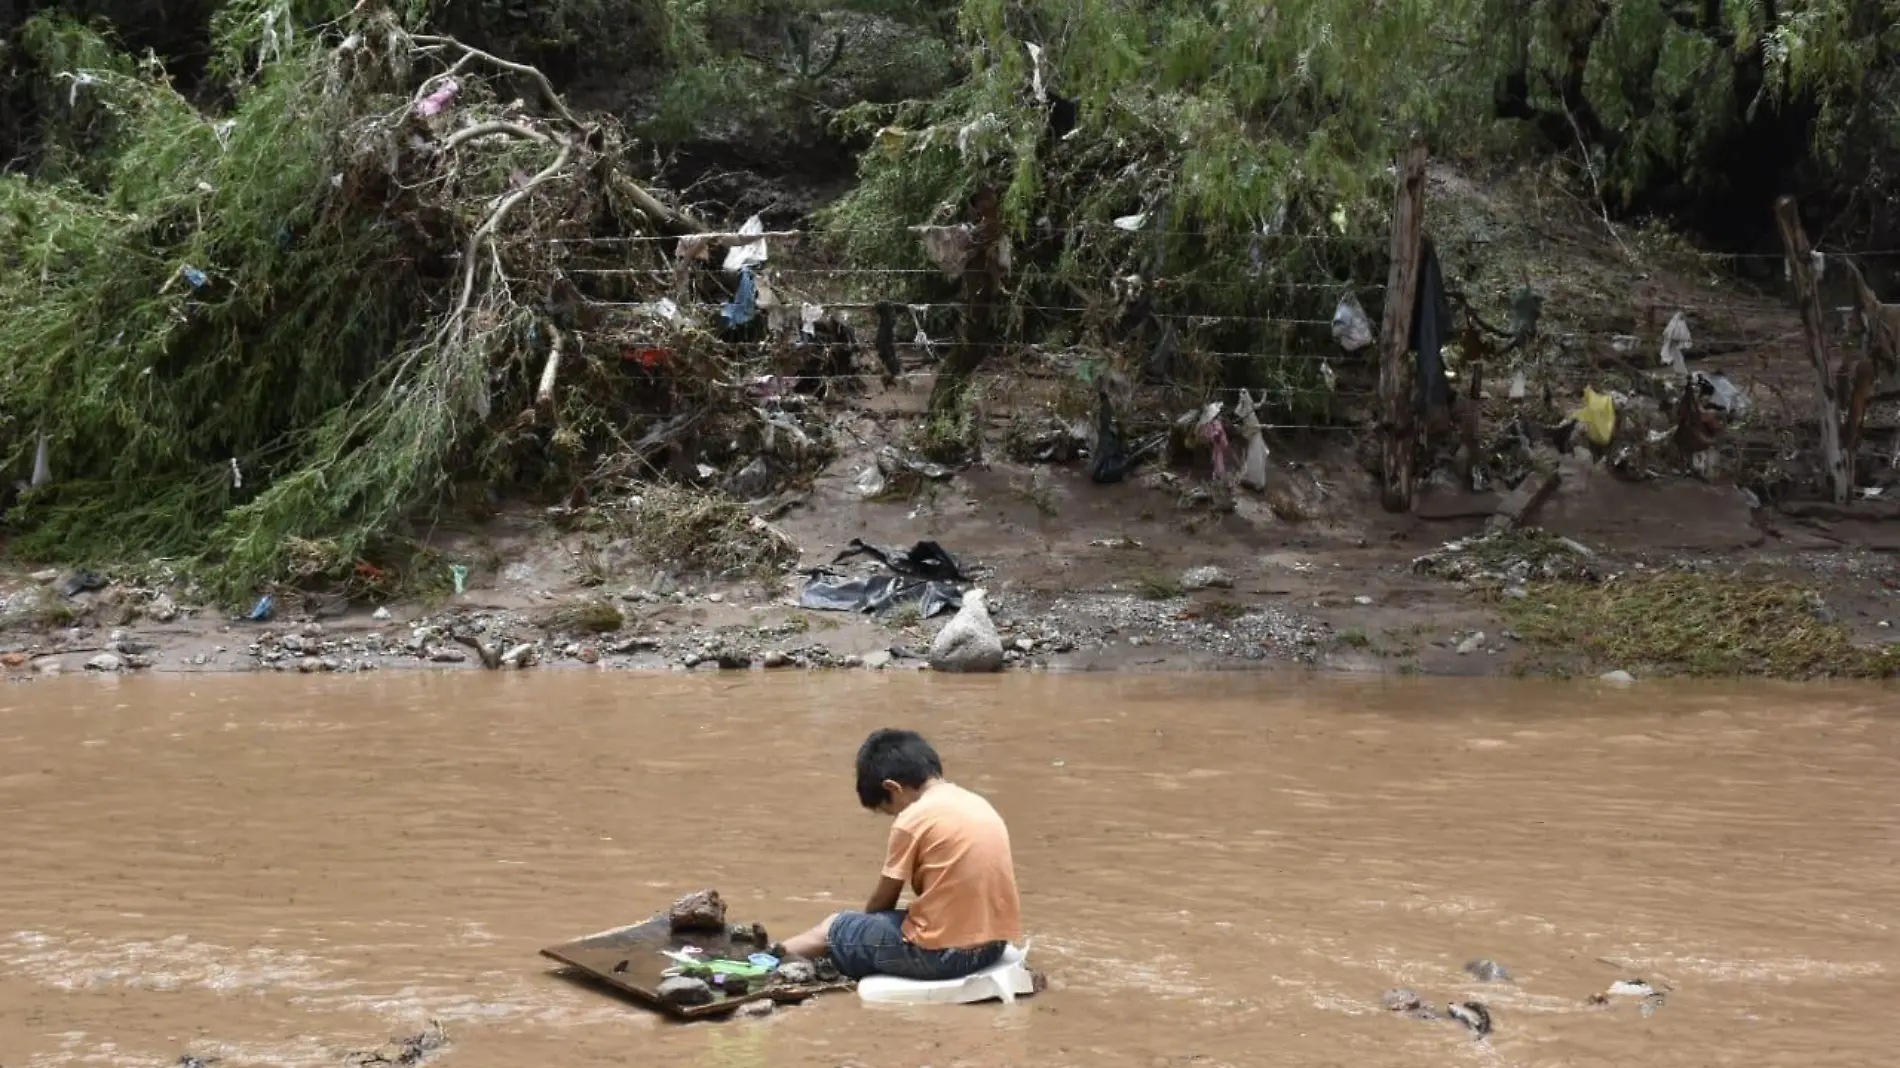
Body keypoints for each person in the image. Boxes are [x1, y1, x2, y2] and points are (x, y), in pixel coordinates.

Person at [776, 728, 1022, 981]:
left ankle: (767, 958)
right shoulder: (976, 803)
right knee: (890, 922)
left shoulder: (913, 818)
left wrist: (856, 931)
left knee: (835, 926)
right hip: (993, 947)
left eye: (889, 809)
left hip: (944, 958)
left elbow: (882, 902)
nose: (895, 816)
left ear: (892, 788)